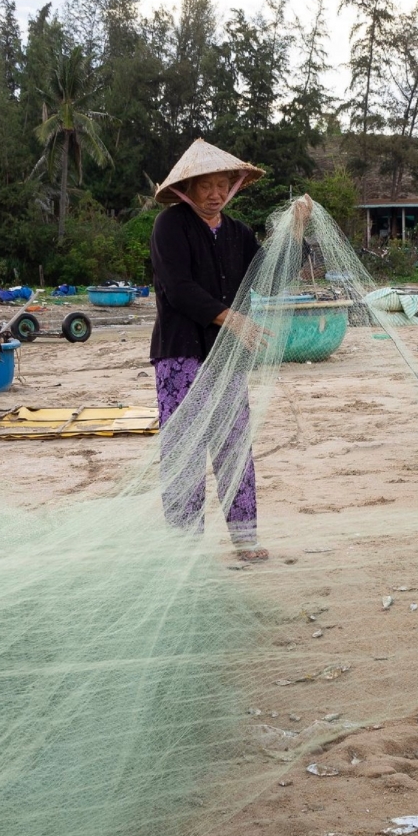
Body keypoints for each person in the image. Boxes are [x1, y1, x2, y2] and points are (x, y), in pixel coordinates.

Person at [147, 138, 284, 562]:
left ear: (234, 186)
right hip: (180, 356)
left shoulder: (239, 233)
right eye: (205, 185)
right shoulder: (170, 225)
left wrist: (293, 235)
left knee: (234, 448)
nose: (215, 194)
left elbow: (270, 279)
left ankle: (244, 539)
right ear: (187, 188)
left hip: (226, 359)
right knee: (185, 452)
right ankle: (184, 545)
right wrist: (233, 318)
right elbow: (178, 288)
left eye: (223, 184)